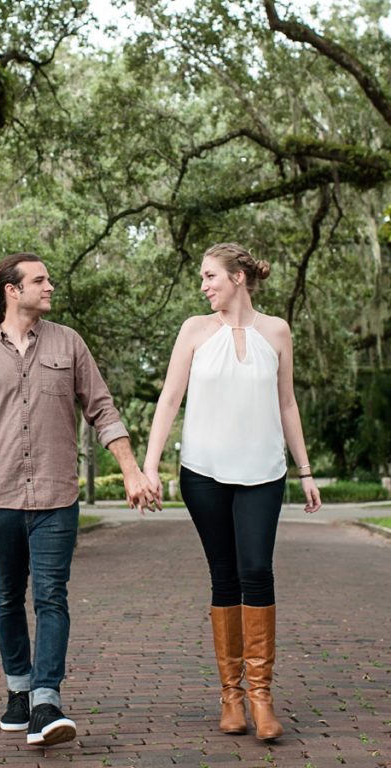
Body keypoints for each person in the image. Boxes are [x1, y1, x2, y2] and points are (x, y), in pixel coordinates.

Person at [0, 252, 155, 748]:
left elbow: (102, 409)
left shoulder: (69, 343)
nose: (50, 286)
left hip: (56, 495)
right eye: (40, 280)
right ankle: (18, 689)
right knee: (7, 597)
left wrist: (131, 470)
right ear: (12, 290)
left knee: (51, 595)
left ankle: (45, 700)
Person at [142, 242, 322, 741]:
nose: (204, 286)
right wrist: (150, 466)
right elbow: (170, 398)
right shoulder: (194, 331)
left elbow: (287, 405)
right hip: (203, 473)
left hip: (264, 473)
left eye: (210, 276)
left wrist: (305, 471)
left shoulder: (278, 331)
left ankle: (262, 697)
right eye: (202, 278)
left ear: (238, 277)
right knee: (224, 577)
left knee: (256, 572)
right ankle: (231, 697)